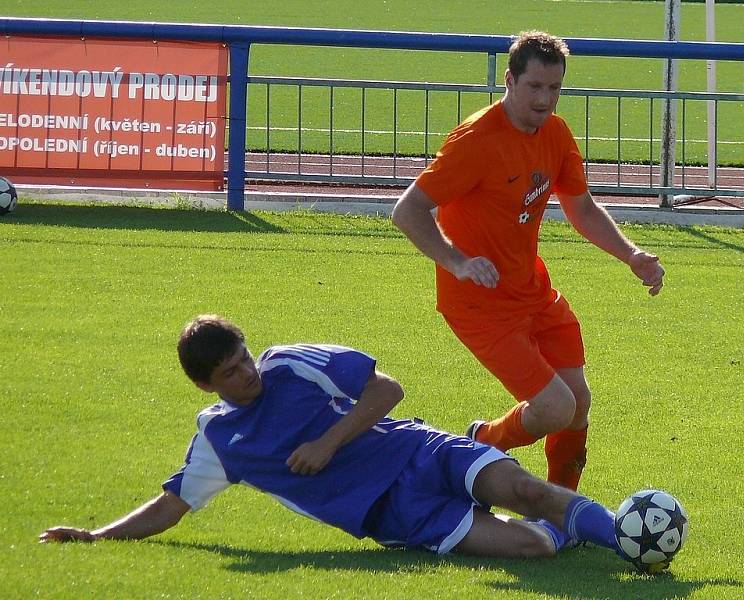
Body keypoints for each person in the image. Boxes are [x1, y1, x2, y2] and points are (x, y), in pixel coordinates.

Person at [40, 314, 629, 565]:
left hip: (417, 448)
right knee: (534, 550)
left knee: (523, 486)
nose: (247, 373)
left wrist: (329, 441)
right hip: (396, 514)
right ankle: (568, 533)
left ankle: (627, 539)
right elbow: (172, 505)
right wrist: (96, 535)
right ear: (205, 384)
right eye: (230, 373)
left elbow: (388, 390)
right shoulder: (220, 439)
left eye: (244, 358)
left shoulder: (291, 364)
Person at [391, 31, 665, 491]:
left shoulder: (555, 133)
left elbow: (581, 209)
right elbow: (407, 210)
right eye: (535, 87)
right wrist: (456, 261)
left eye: (554, 88)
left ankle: (563, 512)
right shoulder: (476, 140)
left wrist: (631, 254)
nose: (545, 99)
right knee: (556, 408)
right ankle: (483, 441)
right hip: (478, 303)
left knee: (577, 401)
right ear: (510, 80)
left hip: (532, 291)